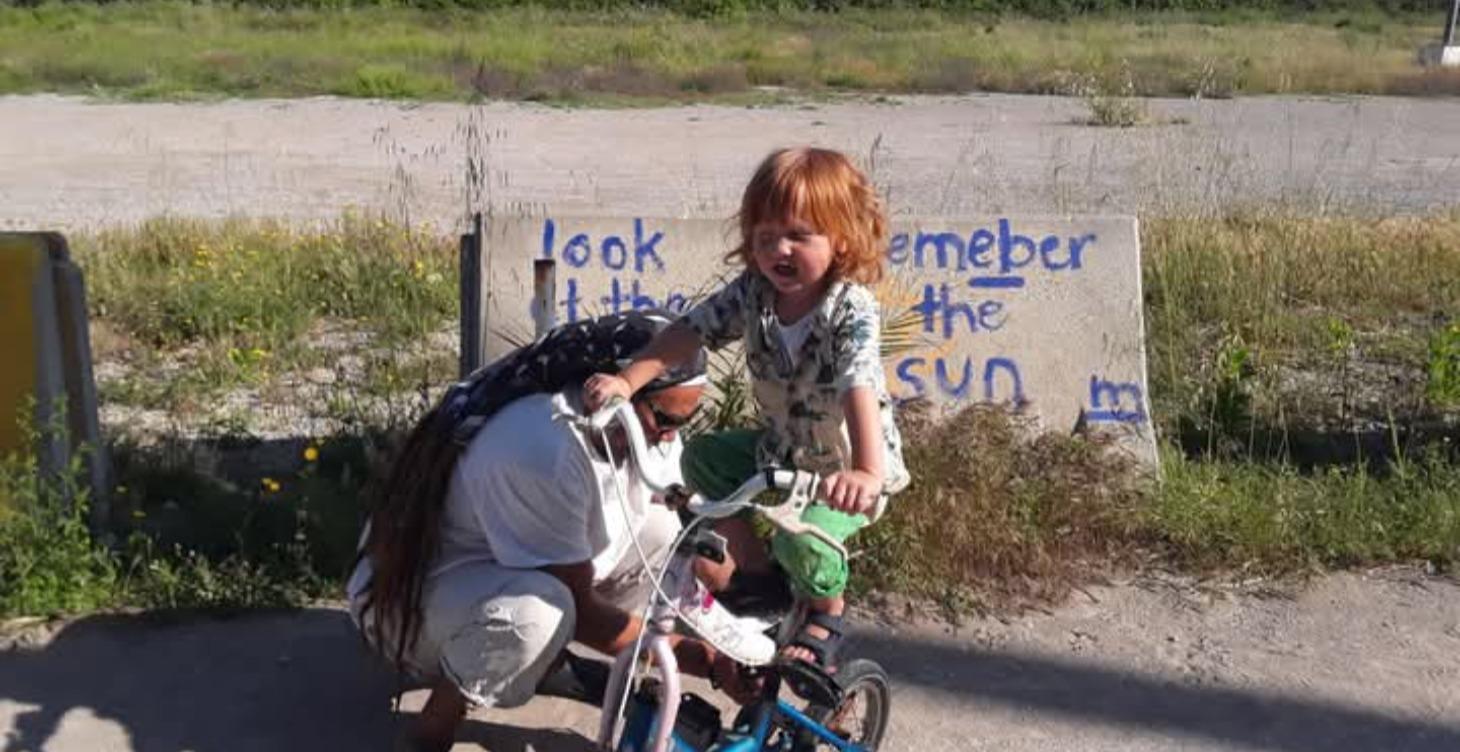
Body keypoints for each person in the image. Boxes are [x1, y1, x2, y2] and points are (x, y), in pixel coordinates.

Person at [347, 310, 758, 752]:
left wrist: (755, 615)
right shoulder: (543, 446)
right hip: (412, 602)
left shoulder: (644, 427)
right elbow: (578, 608)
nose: (669, 438)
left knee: (662, 531)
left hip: (503, 576)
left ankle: (559, 667)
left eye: (684, 423)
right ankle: (436, 722)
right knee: (542, 616)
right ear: (614, 389)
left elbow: (697, 526)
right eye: (665, 420)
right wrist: (706, 660)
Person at [583, 147, 910, 683]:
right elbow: (690, 331)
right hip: (780, 449)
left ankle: (829, 615)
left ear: (842, 239)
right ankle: (759, 579)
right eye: (765, 237)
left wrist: (867, 473)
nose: (779, 250)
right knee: (704, 462)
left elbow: (860, 385)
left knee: (802, 537)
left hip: (842, 468)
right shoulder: (754, 295)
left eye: (799, 235)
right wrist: (626, 382)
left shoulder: (849, 309)